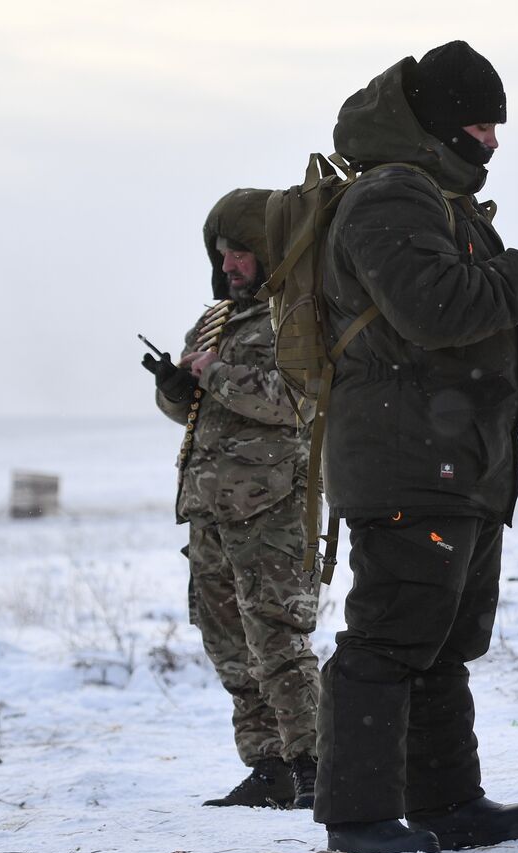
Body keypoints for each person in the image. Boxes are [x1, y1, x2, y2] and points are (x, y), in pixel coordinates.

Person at [312, 42, 518, 853]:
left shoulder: (434, 199)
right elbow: (433, 307)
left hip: (450, 460)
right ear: (434, 123)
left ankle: (446, 802)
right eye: (477, 122)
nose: (491, 140)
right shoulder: (391, 195)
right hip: (407, 459)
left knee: (442, 642)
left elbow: (447, 318)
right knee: (392, 634)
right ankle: (358, 816)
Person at [142, 189, 321, 809]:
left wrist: (213, 372)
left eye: (242, 252)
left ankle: (313, 765)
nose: (230, 265)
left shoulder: (295, 317)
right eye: (222, 254)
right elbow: (194, 411)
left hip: (270, 512)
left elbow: (290, 402)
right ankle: (268, 765)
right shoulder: (217, 320)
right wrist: (174, 386)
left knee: (277, 640)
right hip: (211, 510)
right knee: (229, 645)